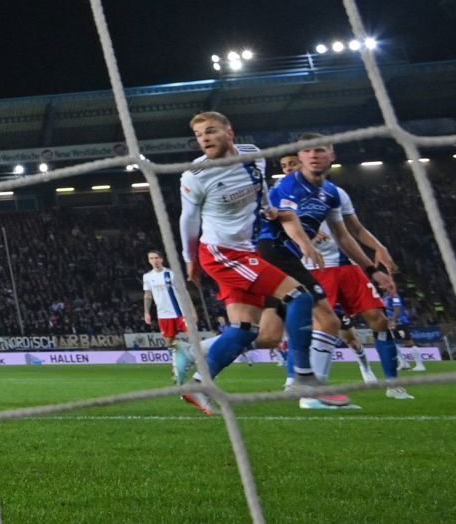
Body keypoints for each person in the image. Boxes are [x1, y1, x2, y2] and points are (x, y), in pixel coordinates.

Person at [174, 112, 345, 413]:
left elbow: (260, 187)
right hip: (222, 253)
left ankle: (198, 384)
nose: (204, 139)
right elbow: (188, 221)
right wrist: (189, 260)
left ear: (230, 133)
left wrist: (268, 208)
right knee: (300, 296)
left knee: (246, 330)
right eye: (200, 135)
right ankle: (303, 377)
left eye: (210, 131)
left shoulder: (253, 155)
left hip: (245, 250)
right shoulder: (195, 176)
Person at [280, 135, 412, 399]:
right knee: (318, 327)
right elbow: (277, 226)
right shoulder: (285, 192)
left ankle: (393, 384)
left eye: (293, 163)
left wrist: (378, 248)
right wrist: (303, 235)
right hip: (313, 269)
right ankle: (300, 379)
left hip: (346, 266)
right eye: (286, 165)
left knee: (380, 321)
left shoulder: (334, 193)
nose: (290, 168)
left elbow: (354, 230)